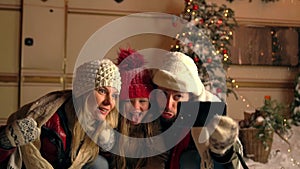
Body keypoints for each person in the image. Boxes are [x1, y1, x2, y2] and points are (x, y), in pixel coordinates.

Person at [0, 59, 121, 169]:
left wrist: (106, 148)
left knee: (99, 163)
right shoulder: (47, 118)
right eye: (102, 91)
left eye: (114, 95)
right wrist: (5, 142)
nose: (109, 102)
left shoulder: (102, 123)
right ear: (82, 92)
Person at [151, 51, 243, 169]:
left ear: (191, 97)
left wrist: (221, 150)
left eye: (178, 96)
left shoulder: (205, 117)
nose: (168, 105)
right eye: (163, 94)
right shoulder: (146, 115)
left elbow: (229, 160)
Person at [111, 48, 167, 169]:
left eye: (142, 101)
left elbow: (158, 158)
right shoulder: (115, 122)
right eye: (128, 101)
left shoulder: (153, 123)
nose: (136, 108)